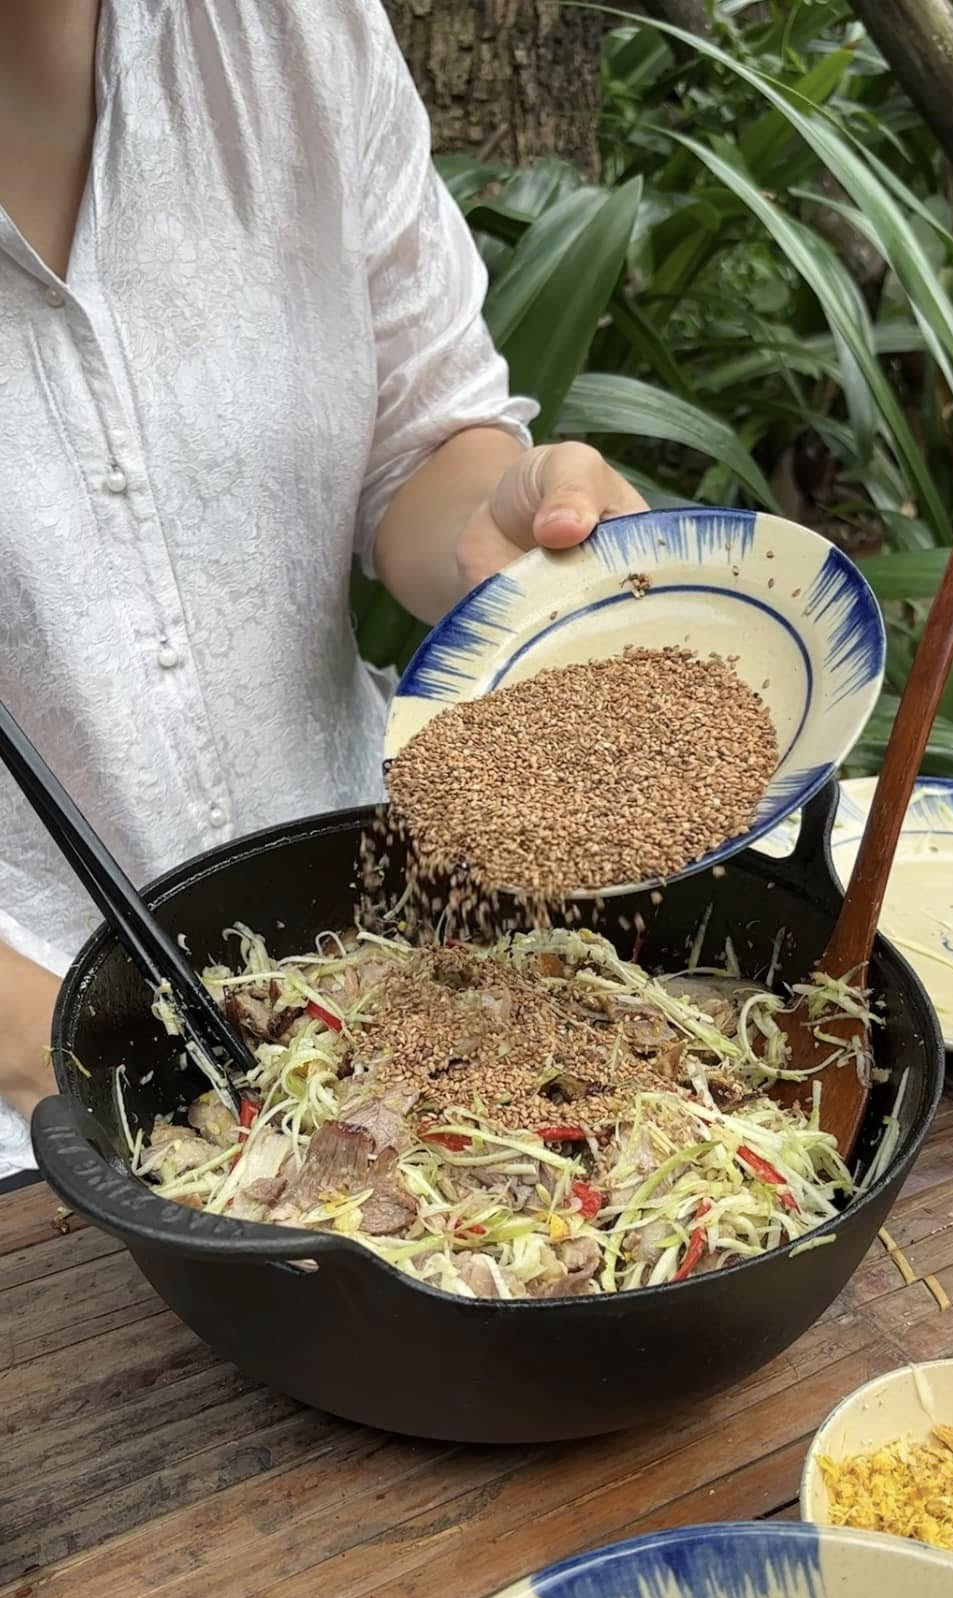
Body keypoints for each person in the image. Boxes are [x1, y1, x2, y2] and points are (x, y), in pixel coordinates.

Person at [0, 0, 646, 1179]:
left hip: (392, 961)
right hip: (35, 1124)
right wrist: (91, 1060)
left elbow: (424, 443)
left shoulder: (297, 29)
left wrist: (497, 531)